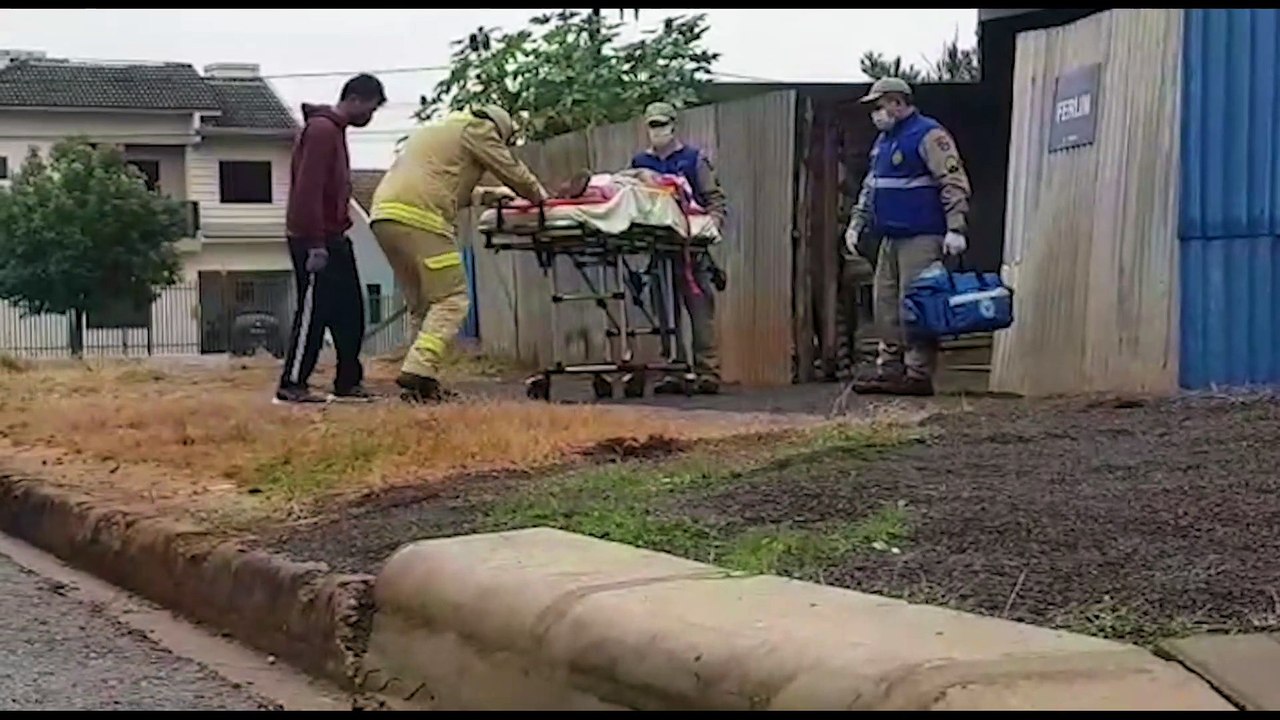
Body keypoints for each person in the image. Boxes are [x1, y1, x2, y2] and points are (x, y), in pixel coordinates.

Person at [369, 104, 549, 403]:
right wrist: (542, 199)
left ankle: (421, 385)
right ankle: (418, 370)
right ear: (500, 128)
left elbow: (445, 184)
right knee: (452, 299)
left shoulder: (439, 130)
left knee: (423, 306)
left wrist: (486, 195)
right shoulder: (478, 129)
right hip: (423, 219)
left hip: (385, 218)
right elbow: (511, 171)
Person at [844, 76, 972, 397]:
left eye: (879, 105)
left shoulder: (929, 135)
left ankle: (918, 372)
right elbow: (871, 187)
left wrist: (956, 227)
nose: (876, 114)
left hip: (922, 236)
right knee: (884, 303)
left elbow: (953, 181)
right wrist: (856, 223)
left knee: (915, 305)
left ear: (898, 103)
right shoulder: (884, 143)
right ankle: (890, 369)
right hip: (890, 237)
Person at [276, 73, 386, 404]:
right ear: (355, 99)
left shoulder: (335, 132)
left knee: (350, 311)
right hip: (314, 239)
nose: (370, 115)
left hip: (336, 236)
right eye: (370, 107)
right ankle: (292, 382)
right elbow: (307, 190)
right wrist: (314, 242)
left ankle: (348, 381)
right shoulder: (322, 131)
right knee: (314, 311)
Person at [629, 101, 728, 395]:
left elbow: (715, 199)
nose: (658, 131)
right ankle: (673, 368)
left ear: (674, 125)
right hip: (659, 250)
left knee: (700, 311)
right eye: (653, 125)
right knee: (664, 311)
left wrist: (711, 226)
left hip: (691, 249)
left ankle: (706, 371)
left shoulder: (694, 160)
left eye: (662, 125)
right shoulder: (639, 164)